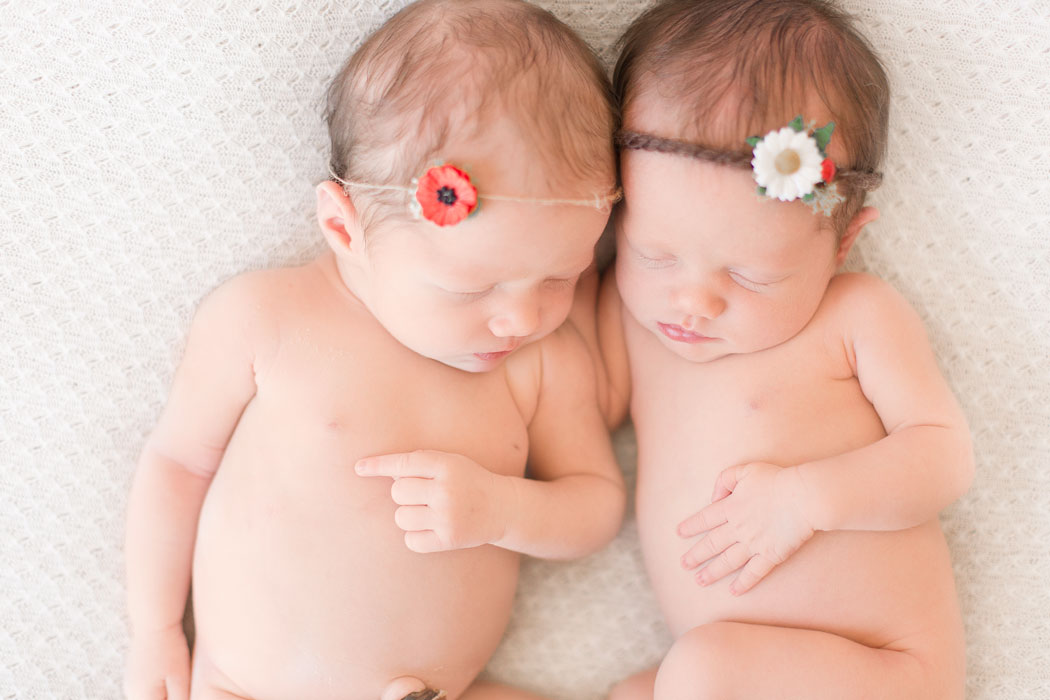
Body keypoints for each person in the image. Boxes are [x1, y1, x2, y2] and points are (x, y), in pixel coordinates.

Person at [123, 1, 626, 698]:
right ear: (345, 227)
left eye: (560, 278)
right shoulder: (268, 319)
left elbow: (594, 506)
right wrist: (154, 630)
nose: (519, 318)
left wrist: (502, 510)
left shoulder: (542, 363)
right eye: (468, 288)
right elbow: (177, 464)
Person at [575, 0, 975, 697]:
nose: (692, 301)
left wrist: (807, 500)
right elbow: (580, 412)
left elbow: (943, 456)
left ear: (844, 243)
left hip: (884, 670)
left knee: (698, 673)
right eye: (654, 253)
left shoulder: (855, 315)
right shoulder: (631, 315)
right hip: (736, 673)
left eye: (751, 275)